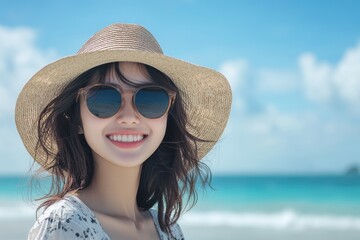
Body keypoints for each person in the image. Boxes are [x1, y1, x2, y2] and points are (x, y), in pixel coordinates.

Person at [15, 23, 232, 240]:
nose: (129, 117)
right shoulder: (63, 225)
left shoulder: (168, 230)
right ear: (77, 119)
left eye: (151, 99)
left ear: (168, 116)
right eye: (104, 97)